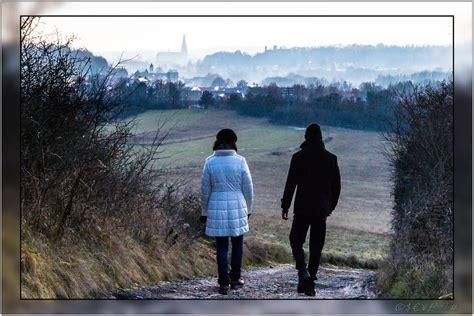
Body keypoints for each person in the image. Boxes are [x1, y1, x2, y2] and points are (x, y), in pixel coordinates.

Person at [280, 123, 341, 296]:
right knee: (317, 245)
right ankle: (310, 280)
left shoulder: (299, 157)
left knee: (295, 239)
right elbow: (337, 187)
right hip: (322, 209)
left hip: (302, 208)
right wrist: (330, 206)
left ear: (306, 137)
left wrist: (285, 205)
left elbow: (290, 183)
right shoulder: (331, 158)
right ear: (321, 137)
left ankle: (302, 271)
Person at [200, 128, 254, 295]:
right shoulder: (240, 161)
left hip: (216, 206)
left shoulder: (209, 162)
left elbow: (205, 190)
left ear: (217, 142)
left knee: (222, 245)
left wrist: (204, 211)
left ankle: (223, 282)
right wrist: (249, 209)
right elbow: (248, 188)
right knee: (237, 242)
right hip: (238, 205)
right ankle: (236, 279)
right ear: (233, 143)